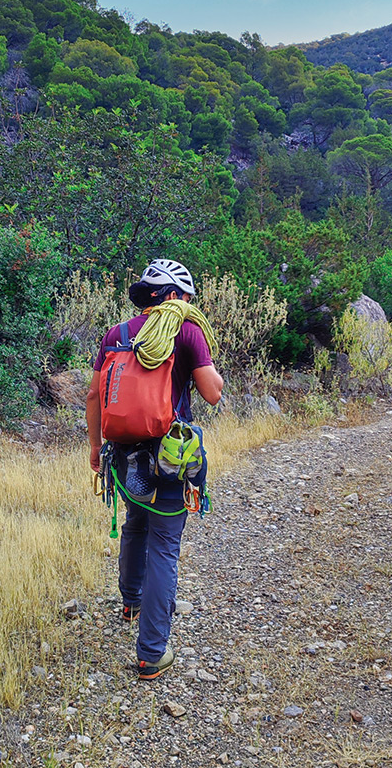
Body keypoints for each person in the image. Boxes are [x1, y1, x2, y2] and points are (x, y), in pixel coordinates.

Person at [86, 259, 223, 679]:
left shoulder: (117, 334)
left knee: (135, 525)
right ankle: (151, 653)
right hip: (169, 455)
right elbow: (212, 393)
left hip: (122, 452)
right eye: (185, 298)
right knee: (164, 545)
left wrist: (95, 449)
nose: (187, 304)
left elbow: (94, 397)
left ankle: (131, 602)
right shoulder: (187, 331)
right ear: (173, 296)